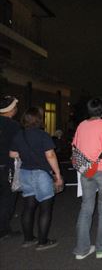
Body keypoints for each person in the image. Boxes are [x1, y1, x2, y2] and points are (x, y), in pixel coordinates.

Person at [9, 107, 63, 250]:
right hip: (41, 174)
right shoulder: (42, 135)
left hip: (25, 173)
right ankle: (43, 241)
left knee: (28, 207)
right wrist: (58, 175)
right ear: (38, 119)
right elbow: (50, 155)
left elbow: (12, 154)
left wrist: (26, 154)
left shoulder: (19, 135)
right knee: (45, 209)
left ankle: (28, 238)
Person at [73, 97, 102, 260]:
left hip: (85, 171)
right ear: (101, 110)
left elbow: (75, 145)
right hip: (101, 170)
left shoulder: (81, 125)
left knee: (86, 208)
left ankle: (81, 249)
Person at [0, 96, 21, 241]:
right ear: (11, 110)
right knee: (7, 197)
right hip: (6, 165)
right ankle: (3, 229)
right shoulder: (13, 126)